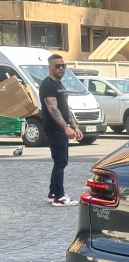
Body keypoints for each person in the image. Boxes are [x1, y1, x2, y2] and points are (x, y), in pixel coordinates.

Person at [40, 54, 82, 206]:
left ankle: (52, 193)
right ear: (50, 67)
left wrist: (75, 126)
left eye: (63, 66)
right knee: (60, 162)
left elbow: (65, 109)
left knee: (60, 162)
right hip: (54, 131)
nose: (61, 68)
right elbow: (53, 109)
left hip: (61, 130)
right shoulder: (48, 85)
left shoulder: (59, 85)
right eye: (57, 66)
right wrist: (66, 128)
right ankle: (59, 197)